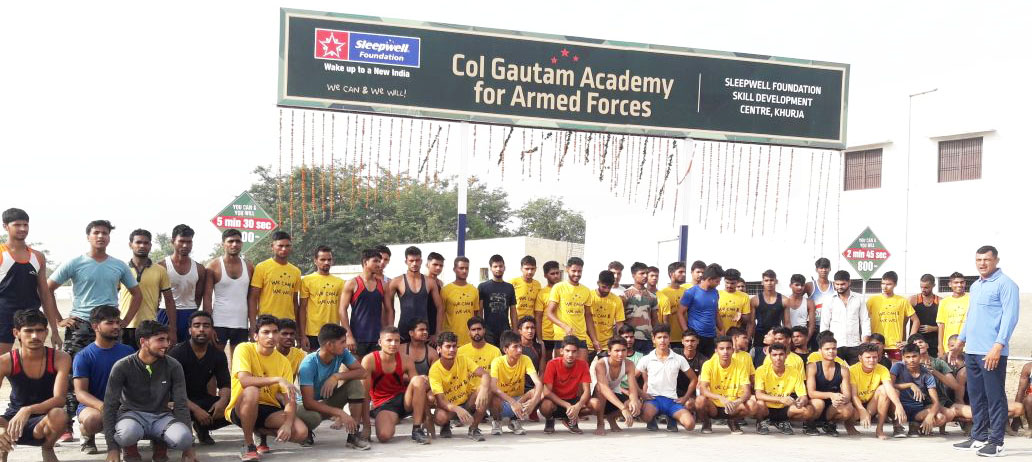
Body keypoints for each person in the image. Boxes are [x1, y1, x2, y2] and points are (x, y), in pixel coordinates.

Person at [48, 219, 141, 442]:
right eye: (96, 232)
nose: (101, 236)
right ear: (88, 236)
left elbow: (137, 293)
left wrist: (124, 321)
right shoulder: (75, 263)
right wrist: (59, 319)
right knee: (72, 375)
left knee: (114, 372)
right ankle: (69, 426)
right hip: (80, 325)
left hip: (109, 325)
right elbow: (48, 288)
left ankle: (114, 419)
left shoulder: (119, 265)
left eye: (105, 233)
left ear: (109, 237)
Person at [950, 246, 1020, 456]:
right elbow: (971, 316)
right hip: (972, 351)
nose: (982, 263)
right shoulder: (976, 286)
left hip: (991, 352)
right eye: (978, 259)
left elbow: (1010, 317)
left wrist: (998, 345)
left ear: (996, 260)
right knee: (976, 396)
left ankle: (996, 442)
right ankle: (978, 437)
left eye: (986, 259)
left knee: (995, 397)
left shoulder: (1006, 284)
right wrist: (960, 342)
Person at [103, 320, 196, 462]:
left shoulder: (173, 365)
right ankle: (130, 449)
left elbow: (181, 404)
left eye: (167, 340)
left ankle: (160, 445)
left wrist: (189, 449)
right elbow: (110, 405)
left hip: (162, 416)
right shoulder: (122, 366)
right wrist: (112, 449)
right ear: (143, 342)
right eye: (160, 340)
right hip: (131, 416)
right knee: (127, 434)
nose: (166, 344)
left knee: (184, 438)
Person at [225, 315, 306, 462]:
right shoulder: (244, 349)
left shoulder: (283, 362)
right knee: (252, 390)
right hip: (242, 406)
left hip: (268, 409)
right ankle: (249, 445)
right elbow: (244, 380)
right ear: (256, 336)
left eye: (275, 332)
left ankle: (258, 430)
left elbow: (290, 399)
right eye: (266, 332)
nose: (271, 336)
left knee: (301, 432)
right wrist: (277, 379)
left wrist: (287, 425)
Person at [0, 310, 70, 462]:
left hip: (44, 420)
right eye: (28, 331)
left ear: (46, 332)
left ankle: (48, 448)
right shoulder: (5, 361)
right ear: (17, 333)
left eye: (39, 331)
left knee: (59, 414)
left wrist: (28, 409)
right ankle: (2, 452)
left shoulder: (60, 358)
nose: (34, 336)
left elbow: (59, 399)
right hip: (12, 420)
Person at [71, 306, 134, 454]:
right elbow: (80, 393)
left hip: (123, 405)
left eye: (117, 322)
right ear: (95, 327)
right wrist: (104, 407)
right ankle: (86, 434)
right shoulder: (83, 356)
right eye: (110, 323)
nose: (116, 326)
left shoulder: (128, 351)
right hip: (94, 407)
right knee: (93, 421)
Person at [0, 208, 62, 355]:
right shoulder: (2, 253)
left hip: (31, 316)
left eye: (25, 225)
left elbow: (45, 294)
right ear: (5, 226)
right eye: (17, 225)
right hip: (3, 317)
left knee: (31, 360)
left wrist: (54, 330)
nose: (23, 229)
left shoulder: (38, 256)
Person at [298, 324, 371, 447]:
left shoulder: (342, 353)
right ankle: (306, 431)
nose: (345, 345)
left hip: (326, 402)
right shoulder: (308, 364)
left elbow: (363, 373)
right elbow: (308, 403)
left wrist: (336, 376)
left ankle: (353, 436)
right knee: (314, 417)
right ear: (329, 345)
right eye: (342, 342)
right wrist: (340, 413)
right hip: (305, 408)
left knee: (355, 384)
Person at [167, 311, 231, 446]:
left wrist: (223, 401)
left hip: (202, 398)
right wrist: (196, 410)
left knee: (237, 406)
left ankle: (202, 428)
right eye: (197, 326)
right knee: (167, 410)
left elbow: (225, 384)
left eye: (206, 326)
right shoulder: (177, 353)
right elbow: (171, 390)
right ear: (190, 330)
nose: (201, 329)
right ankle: (173, 433)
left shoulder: (218, 355)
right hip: (178, 402)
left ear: (212, 330)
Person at [361, 326, 431, 444]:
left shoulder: (406, 359)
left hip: (405, 400)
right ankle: (393, 419)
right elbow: (364, 394)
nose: (393, 344)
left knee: (419, 380)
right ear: (380, 342)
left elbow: (418, 386)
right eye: (389, 340)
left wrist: (425, 381)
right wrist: (366, 425)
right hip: (384, 405)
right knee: (384, 436)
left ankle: (417, 429)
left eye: (396, 340)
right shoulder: (369, 360)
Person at [429, 331, 492, 441]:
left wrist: (484, 390)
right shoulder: (434, 370)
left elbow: (485, 374)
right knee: (440, 418)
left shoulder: (463, 359)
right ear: (439, 349)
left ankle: (473, 428)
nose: (452, 350)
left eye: (454, 346)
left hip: (467, 402)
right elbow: (441, 401)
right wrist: (457, 409)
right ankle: (445, 425)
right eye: (448, 346)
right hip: (449, 407)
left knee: (487, 389)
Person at [118, 229, 174, 349]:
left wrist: (173, 330)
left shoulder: (160, 270)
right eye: (138, 242)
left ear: (150, 245)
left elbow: (169, 301)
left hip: (149, 326)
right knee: (125, 359)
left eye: (146, 243)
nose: (142, 245)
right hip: (125, 326)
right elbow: (111, 296)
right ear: (130, 245)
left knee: (149, 359)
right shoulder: (122, 269)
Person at [203, 229, 254, 358]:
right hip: (219, 322)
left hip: (241, 323)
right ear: (223, 244)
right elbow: (207, 298)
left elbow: (252, 299)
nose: (234, 244)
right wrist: (208, 325)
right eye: (230, 241)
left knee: (239, 362)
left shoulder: (249, 267)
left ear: (242, 244)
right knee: (215, 361)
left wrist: (253, 325)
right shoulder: (213, 266)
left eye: (238, 241)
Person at [248, 232, 304, 347]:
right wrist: (253, 325)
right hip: (267, 322)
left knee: (286, 355)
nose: (284, 249)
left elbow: (294, 302)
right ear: (272, 246)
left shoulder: (296, 271)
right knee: (266, 354)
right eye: (280, 246)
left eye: (287, 246)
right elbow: (253, 298)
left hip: (288, 323)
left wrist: (298, 330)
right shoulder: (262, 267)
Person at [272, 319, 323, 446]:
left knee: (313, 415)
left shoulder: (299, 355)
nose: (289, 337)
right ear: (276, 334)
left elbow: (309, 378)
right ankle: (259, 436)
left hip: (288, 397)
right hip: (267, 396)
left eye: (292, 334)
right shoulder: (268, 352)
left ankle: (306, 430)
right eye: (284, 334)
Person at [638, 324, 697, 433]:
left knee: (690, 425)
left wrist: (685, 398)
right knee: (646, 416)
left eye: (665, 337)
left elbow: (694, 379)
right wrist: (641, 393)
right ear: (653, 339)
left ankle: (672, 417)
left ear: (669, 339)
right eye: (659, 337)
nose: (662, 340)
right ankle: (651, 419)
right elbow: (631, 378)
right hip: (653, 399)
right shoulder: (646, 359)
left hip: (672, 400)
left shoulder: (679, 359)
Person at [696, 335, 755, 434]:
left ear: (733, 350)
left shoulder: (741, 365)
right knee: (699, 400)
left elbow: (747, 392)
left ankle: (733, 421)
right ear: (716, 351)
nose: (725, 352)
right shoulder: (708, 365)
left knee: (752, 405)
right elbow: (703, 389)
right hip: (713, 406)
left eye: (728, 348)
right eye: (721, 349)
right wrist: (720, 397)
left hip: (733, 405)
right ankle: (706, 422)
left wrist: (737, 402)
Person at [846, 343, 906, 439]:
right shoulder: (852, 370)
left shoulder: (882, 369)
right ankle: (849, 425)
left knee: (885, 390)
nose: (872, 360)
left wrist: (898, 405)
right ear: (860, 358)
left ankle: (879, 429)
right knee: (849, 412)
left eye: (874, 357)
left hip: (871, 403)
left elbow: (889, 388)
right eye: (868, 357)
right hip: (857, 404)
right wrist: (862, 410)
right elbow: (853, 395)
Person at [489, 330, 543, 435]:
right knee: (493, 395)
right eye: (515, 347)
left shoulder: (525, 359)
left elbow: (538, 383)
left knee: (537, 391)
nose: (519, 350)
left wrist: (534, 401)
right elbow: (493, 387)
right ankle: (496, 421)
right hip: (503, 401)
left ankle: (514, 421)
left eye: (520, 346)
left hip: (519, 399)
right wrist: (512, 403)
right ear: (505, 349)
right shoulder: (497, 362)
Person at [157, 225, 205, 344]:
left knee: (188, 350)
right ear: (173, 241)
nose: (185, 245)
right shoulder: (161, 266)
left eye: (189, 242)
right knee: (164, 348)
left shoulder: (199, 268)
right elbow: (156, 296)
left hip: (189, 312)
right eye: (181, 241)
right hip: (164, 313)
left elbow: (198, 296)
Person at [387, 246, 444, 345]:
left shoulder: (430, 282)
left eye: (417, 260)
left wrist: (437, 332)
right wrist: (390, 331)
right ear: (406, 261)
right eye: (411, 260)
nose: (414, 263)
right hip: (404, 331)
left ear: (421, 261)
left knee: (425, 355)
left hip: (424, 332)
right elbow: (389, 309)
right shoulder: (397, 281)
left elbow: (440, 307)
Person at [753, 343, 814, 435]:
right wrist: (780, 399)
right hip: (768, 406)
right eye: (774, 355)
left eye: (781, 354)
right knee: (758, 403)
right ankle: (761, 422)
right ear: (769, 356)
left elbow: (803, 396)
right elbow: (758, 394)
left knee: (808, 410)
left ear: (786, 356)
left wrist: (802, 402)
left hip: (785, 407)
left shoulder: (795, 372)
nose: (778, 358)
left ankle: (783, 422)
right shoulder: (761, 370)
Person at [546, 257, 600, 358]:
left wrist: (594, 340)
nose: (577, 274)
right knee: (561, 367)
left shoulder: (586, 290)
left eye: (579, 271)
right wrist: (564, 326)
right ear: (567, 269)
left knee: (582, 366)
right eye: (574, 271)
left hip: (580, 337)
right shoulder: (558, 287)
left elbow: (588, 316)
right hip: (562, 336)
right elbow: (549, 313)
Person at [540, 335, 594, 434]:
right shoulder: (552, 364)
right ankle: (550, 420)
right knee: (546, 406)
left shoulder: (583, 365)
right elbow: (547, 392)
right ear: (561, 351)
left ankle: (570, 420)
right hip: (556, 401)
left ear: (578, 352)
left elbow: (587, 391)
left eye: (574, 351)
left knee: (595, 404)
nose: (570, 354)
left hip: (573, 400)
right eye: (567, 351)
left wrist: (578, 406)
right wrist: (566, 405)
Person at [892, 343, 948, 437]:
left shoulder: (926, 373)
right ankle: (898, 427)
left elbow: (936, 402)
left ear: (920, 356)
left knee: (940, 418)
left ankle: (917, 426)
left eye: (914, 356)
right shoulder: (898, 367)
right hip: (898, 408)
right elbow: (889, 385)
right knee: (893, 391)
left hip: (917, 410)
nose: (911, 360)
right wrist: (910, 385)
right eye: (908, 357)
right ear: (903, 358)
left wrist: (929, 416)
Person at [339, 249, 387, 357]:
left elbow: (387, 310)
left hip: (377, 337)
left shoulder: (383, 285)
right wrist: (348, 335)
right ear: (365, 262)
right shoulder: (352, 283)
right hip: (357, 337)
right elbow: (342, 310)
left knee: (376, 366)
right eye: (375, 261)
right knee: (357, 366)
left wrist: (386, 333)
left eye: (379, 261)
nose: (379, 264)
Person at [589, 337, 641, 435]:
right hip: (598, 399)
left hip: (614, 396)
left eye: (623, 350)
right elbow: (604, 388)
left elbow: (632, 386)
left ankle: (611, 418)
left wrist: (634, 401)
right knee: (600, 389)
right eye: (617, 351)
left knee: (637, 403)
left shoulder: (629, 364)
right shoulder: (601, 364)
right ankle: (600, 424)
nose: (620, 354)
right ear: (609, 352)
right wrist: (623, 408)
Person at [806, 336, 855, 436]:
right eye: (827, 349)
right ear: (820, 351)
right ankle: (809, 424)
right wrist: (831, 395)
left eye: (834, 348)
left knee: (848, 408)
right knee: (819, 403)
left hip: (832, 406)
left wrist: (841, 399)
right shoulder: (812, 367)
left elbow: (847, 395)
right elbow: (811, 393)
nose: (831, 351)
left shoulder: (843, 370)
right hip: (816, 403)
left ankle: (829, 424)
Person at [866, 271, 919, 362]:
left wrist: (909, 341)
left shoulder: (902, 301)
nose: (885, 287)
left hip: (895, 346)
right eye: (883, 283)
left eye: (889, 284)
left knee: (896, 369)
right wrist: (865, 340)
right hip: (876, 345)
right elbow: (863, 320)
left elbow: (916, 321)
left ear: (895, 284)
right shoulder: (872, 300)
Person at [819, 270, 870, 365]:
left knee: (857, 371)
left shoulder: (859, 298)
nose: (839, 287)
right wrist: (825, 345)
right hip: (835, 345)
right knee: (834, 372)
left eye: (842, 284)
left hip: (855, 344)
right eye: (837, 284)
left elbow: (865, 321)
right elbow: (824, 324)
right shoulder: (829, 300)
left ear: (849, 282)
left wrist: (864, 343)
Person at [299, 247, 344, 351]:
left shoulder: (340, 282)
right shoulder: (307, 280)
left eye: (329, 259)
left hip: (333, 332)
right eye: (323, 259)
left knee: (333, 360)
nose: (326, 262)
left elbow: (342, 309)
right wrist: (302, 335)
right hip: (313, 333)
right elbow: (302, 308)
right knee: (314, 360)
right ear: (315, 261)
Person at [678, 263, 723, 357]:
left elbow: (715, 312)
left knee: (709, 363)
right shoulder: (691, 292)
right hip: (696, 336)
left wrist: (722, 330)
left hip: (711, 337)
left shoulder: (715, 292)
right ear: (709, 279)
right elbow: (680, 313)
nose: (719, 284)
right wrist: (687, 333)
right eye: (717, 281)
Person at [478, 254, 517, 346]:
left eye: (500, 266)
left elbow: (513, 310)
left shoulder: (509, 287)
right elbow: (480, 310)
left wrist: (515, 329)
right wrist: (480, 329)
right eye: (495, 266)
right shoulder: (483, 287)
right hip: (488, 331)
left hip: (505, 331)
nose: (498, 269)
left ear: (504, 267)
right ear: (491, 268)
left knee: (505, 353)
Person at [458, 317, 502, 397]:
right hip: (468, 394)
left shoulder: (495, 351)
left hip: (488, 392)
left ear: (484, 330)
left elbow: (498, 378)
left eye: (479, 329)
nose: (476, 332)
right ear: (469, 332)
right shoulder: (460, 352)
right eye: (473, 330)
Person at [440, 257, 479, 346]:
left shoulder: (474, 290)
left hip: (469, 339)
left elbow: (475, 315)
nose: (464, 271)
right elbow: (440, 313)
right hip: (450, 339)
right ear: (454, 269)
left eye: (466, 268)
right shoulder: (445, 290)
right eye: (461, 268)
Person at [750, 270, 784, 365]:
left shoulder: (784, 300)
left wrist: (788, 340)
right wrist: (749, 339)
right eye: (766, 280)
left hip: (776, 336)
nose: (769, 283)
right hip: (759, 335)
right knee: (758, 362)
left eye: (771, 280)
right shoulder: (755, 300)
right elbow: (751, 322)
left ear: (776, 281)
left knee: (777, 360)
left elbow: (787, 322)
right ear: (762, 282)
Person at [622, 262, 658, 354]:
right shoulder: (625, 294)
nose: (645, 276)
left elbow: (655, 319)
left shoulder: (652, 296)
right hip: (630, 339)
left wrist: (656, 336)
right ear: (633, 275)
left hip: (647, 339)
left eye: (646, 273)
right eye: (642, 273)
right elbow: (620, 319)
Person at [589, 270, 624, 361]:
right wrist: (594, 340)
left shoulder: (616, 300)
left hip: (606, 345)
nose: (606, 290)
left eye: (609, 287)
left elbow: (620, 324)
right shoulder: (589, 296)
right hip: (588, 343)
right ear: (598, 283)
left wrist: (619, 342)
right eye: (604, 287)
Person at [936, 272, 969, 359]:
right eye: (956, 282)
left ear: (965, 283)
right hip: (949, 346)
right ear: (950, 284)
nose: (959, 285)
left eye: (961, 282)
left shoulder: (972, 299)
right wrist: (940, 346)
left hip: (967, 346)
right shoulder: (944, 302)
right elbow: (941, 325)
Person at [535, 261, 563, 359]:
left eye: (557, 273)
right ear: (545, 275)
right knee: (546, 362)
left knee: (560, 362)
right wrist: (539, 338)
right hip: (546, 334)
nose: (556, 276)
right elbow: (538, 317)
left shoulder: (565, 290)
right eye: (552, 274)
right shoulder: (542, 293)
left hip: (561, 333)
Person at [657, 261, 687, 349]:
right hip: (668, 338)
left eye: (684, 272)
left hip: (684, 337)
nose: (684, 274)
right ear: (671, 274)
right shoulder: (663, 293)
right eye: (680, 272)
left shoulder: (687, 292)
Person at [909, 274, 941, 358]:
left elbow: (945, 325)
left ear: (933, 285)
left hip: (934, 342)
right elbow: (903, 322)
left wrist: (934, 328)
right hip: (916, 342)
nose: (923, 290)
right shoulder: (913, 300)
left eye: (926, 287)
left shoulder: (940, 301)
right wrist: (908, 340)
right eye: (921, 287)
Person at [806, 257, 833, 350]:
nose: (824, 270)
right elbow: (798, 298)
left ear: (830, 269)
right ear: (816, 269)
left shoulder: (834, 285)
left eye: (826, 267)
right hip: (814, 326)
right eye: (821, 268)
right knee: (814, 352)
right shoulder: (810, 285)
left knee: (829, 351)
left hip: (830, 325)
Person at [716, 268, 750, 336]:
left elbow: (747, 319)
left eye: (732, 283)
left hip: (735, 334)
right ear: (724, 280)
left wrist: (740, 316)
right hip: (718, 333)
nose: (729, 285)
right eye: (727, 282)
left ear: (737, 282)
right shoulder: (716, 294)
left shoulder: (744, 296)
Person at [784, 274, 816, 345]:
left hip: (803, 336)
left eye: (802, 285)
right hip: (787, 336)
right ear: (790, 285)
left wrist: (806, 340)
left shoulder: (809, 302)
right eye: (797, 285)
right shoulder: (785, 301)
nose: (800, 287)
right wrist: (790, 340)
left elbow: (812, 325)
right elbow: (785, 323)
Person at [510, 256, 540, 322]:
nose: (530, 272)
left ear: (536, 269)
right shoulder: (513, 283)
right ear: (521, 269)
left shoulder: (537, 285)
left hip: (530, 323)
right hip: (515, 322)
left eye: (532, 269)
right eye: (527, 269)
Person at [425, 252, 446, 335]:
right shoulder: (422, 281)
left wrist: (438, 331)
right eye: (435, 264)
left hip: (436, 324)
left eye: (441, 265)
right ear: (427, 265)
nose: (438, 268)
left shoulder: (440, 283)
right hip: (423, 324)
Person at [1014, 361, 1032, 438]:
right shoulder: (1028, 367)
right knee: (1029, 399)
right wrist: (1016, 417)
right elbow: (1021, 390)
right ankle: (1031, 428)